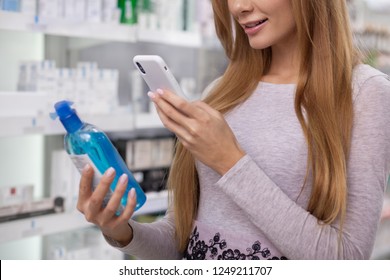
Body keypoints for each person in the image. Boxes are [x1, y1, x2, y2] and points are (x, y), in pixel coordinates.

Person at [77, 0, 390, 259]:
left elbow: (347, 259)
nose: (238, 7)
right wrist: (121, 231)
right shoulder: (222, 92)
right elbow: (185, 241)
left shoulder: (364, 93)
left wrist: (230, 162)